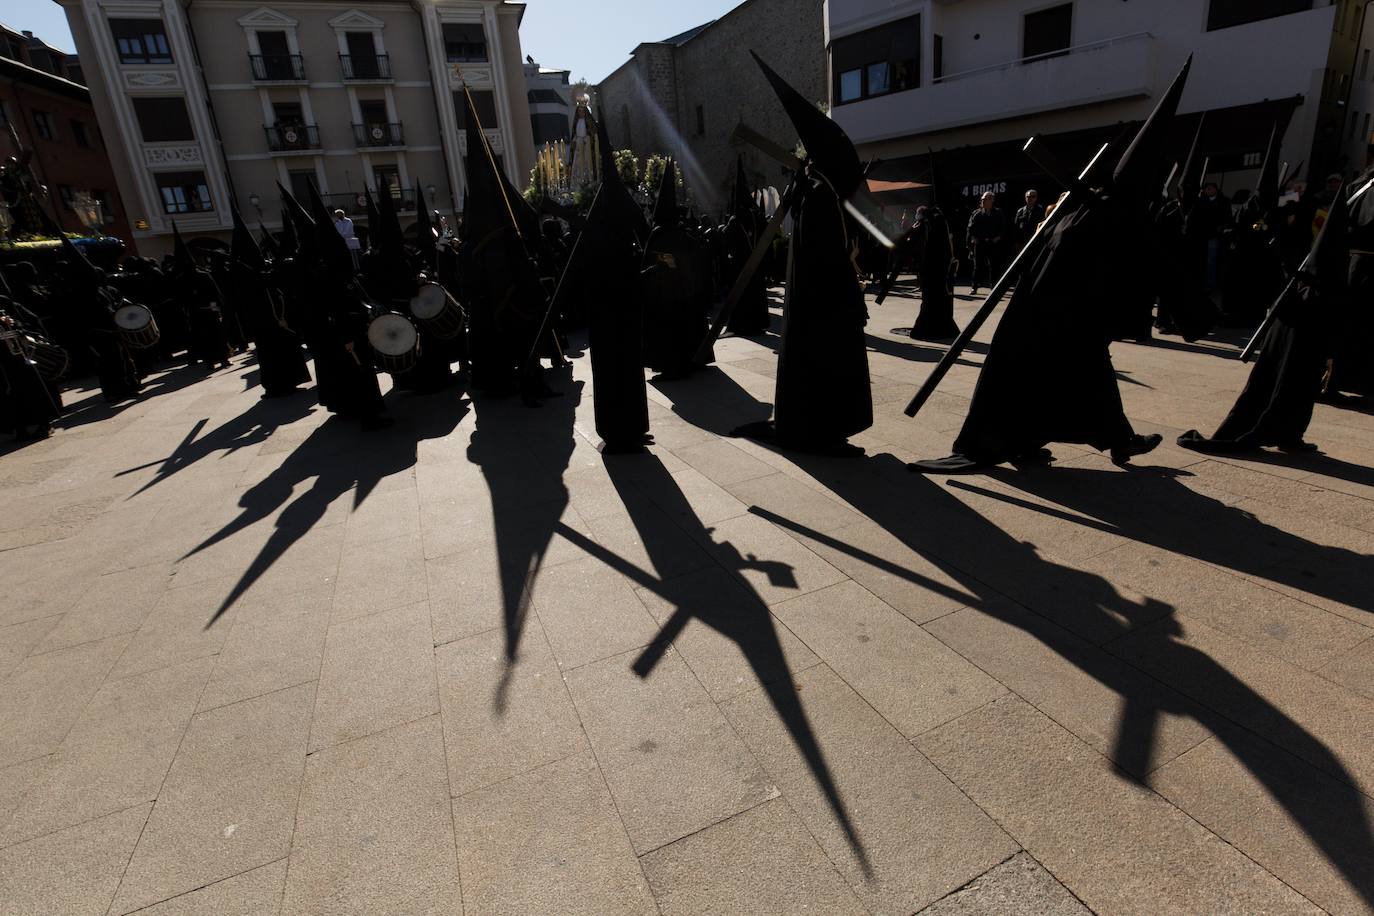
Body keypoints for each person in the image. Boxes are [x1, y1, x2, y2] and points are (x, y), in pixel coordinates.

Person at [910, 58, 1197, 473]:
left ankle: (1108, 439)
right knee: (1063, 377)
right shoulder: (1102, 213)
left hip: (1063, 314)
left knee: (1082, 376)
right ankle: (1038, 441)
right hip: (1052, 314)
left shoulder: (1092, 208)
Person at [733, 52, 872, 453]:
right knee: (826, 366)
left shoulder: (817, 189)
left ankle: (828, 428)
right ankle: (822, 431)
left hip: (826, 304)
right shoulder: (818, 194)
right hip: (823, 307)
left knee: (830, 365)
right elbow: (825, 259)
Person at [1180, 181, 1351, 453]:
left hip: (1297, 317)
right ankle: (1281, 432)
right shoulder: (1320, 259)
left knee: (1293, 384)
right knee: (1295, 385)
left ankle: (1289, 433)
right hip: (1305, 322)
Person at [908, 205, 959, 341]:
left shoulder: (928, 224)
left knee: (930, 299)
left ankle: (926, 328)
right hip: (940, 268)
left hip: (931, 268)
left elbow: (917, 243)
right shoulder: (939, 221)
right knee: (939, 298)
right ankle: (942, 328)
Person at [966, 191, 1007, 294]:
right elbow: (970, 228)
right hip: (980, 243)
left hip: (993, 243)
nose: (984, 201)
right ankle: (974, 287)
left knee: (994, 266)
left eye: (987, 199)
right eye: (983, 199)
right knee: (977, 266)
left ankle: (994, 286)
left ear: (992, 200)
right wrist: (973, 238)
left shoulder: (998, 213)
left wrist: (998, 237)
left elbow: (1003, 228)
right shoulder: (976, 213)